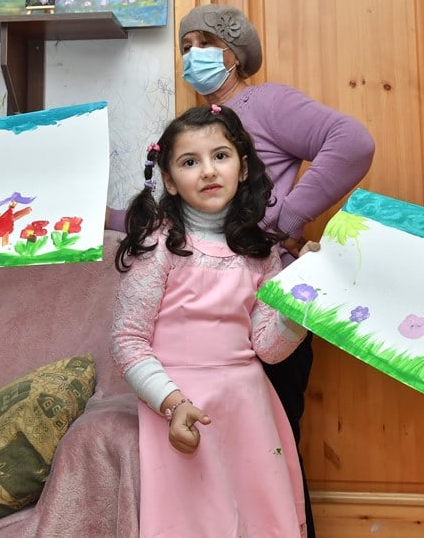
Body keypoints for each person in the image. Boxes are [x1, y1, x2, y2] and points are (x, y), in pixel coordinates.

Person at [107, 4, 374, 536]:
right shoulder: (167, 230)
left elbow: (353, 143)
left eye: (205, 43)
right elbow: (151, 242)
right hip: (185, 381)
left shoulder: (266, 102)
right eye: (185, 47)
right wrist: (82, 219)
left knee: (267, 482)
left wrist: (284, 225)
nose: (193, 56)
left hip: (263, 312)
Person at [111, 104, 309, 537]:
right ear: (169, 180)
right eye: (189, 162)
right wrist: (173, 403)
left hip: (248, 405)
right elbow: (127, 341)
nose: (208, 171)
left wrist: (301, 307)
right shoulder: (158, 245)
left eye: (220, 156)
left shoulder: (262, 253)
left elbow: (268, 348)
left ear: (243, 167)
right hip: (179, 403)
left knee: (259, 521)